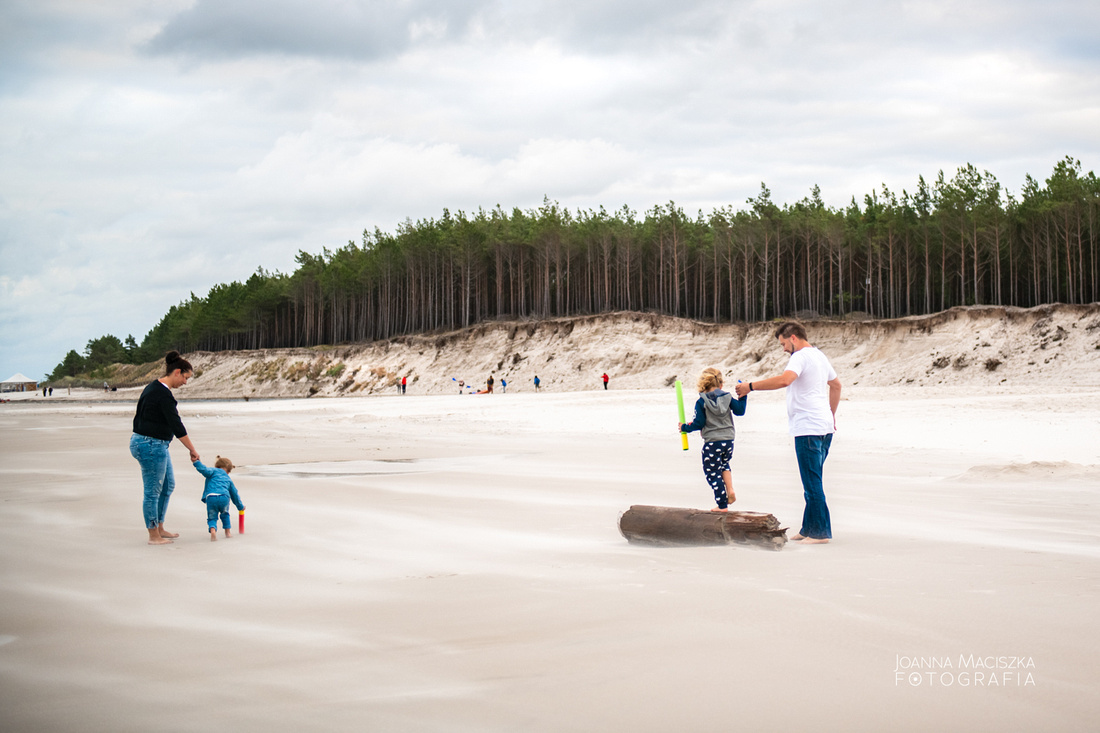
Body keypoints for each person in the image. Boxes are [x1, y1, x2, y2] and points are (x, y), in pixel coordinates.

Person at [735, 321, 841, 544]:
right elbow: (836, 385)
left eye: (783, 343)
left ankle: (820, 534)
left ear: (793, 338)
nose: (783, 348)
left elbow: (785, 380)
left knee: (812, 484)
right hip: (823, 427)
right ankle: (808, 528)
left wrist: (749, 387)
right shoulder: (819, 355)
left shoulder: (800, 357)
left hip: (808, 428)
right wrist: (831, 415)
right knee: (813, 481)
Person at [130, 351, 200, 545]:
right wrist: (192, 450)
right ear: (177, 372)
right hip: (149, 445)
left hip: (152, 443)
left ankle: (160, 528)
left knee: (167, 485)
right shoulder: (161, 394)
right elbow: (176, 425)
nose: (185, 382)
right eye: (185, 378)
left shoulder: (154, 387)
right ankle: (153, 535)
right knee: (152, 491)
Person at [679, 367, 748, 511]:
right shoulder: (727, 397)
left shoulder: (701, 402)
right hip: (728, 440)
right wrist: (743, 396)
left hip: (712, 442)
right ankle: (730, 490)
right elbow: (740, 411)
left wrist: (684, 427)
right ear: (721, 384)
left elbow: (699, 423)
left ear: (703, 385)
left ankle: (722, 505)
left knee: (712, 472)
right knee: (724, 465)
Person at [192, 455, 245, 541]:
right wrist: (240, 507)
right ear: (228, 471)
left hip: (211, 497)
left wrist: (196, 462)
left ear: (217, 466)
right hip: (224, 497)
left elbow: (203, 469)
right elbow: (234, 494)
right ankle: (228, 532)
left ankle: (213, 530)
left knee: (212, 517)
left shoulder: (213, 471)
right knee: (225, 514)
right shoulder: (228, 479)